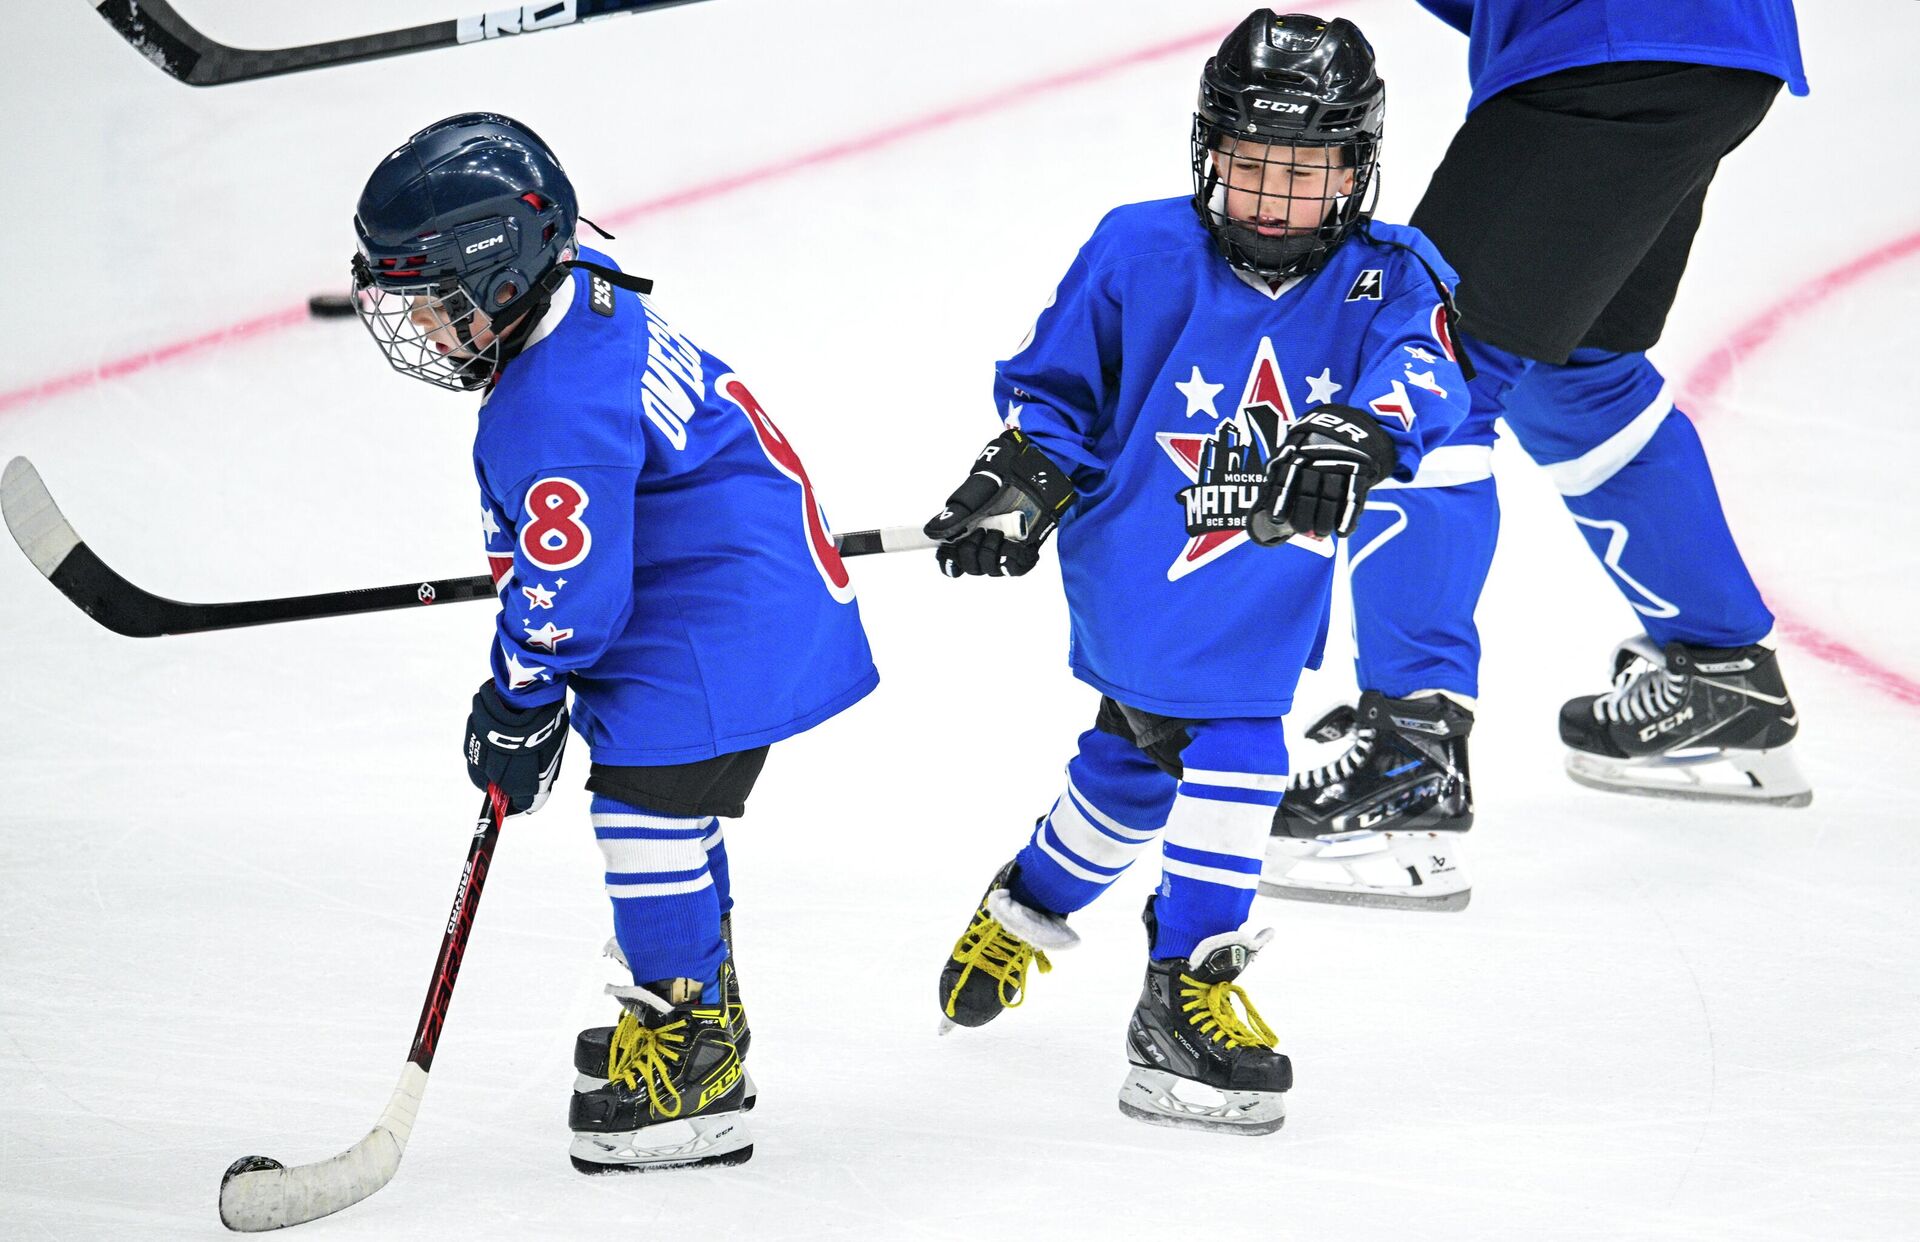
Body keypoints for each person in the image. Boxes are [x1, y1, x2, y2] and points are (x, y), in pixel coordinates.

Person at [923, 10, 1472, 1132]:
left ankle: (1028, 905)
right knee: (1228, 753)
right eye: (1252, 166)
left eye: (1305, 171)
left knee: (1134, 769)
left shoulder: (1389, 276)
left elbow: (1431, 371)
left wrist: (1363, 433)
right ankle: (1187, 999)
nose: (1273, 198)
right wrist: (1019, 474)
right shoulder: (1138, 249)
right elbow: (1055, 391)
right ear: (1207, 154)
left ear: (1357, 171)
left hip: (1267, 595)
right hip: (1141, 567)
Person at [350, 113, 879, 1172]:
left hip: (712, 630)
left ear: (502, 274)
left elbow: (570, 604)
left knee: (644, 814)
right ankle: (698, 1015)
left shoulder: (551, 411)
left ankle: (691, 1059)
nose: (426, 329)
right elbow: (582, 530)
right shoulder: (582, 279)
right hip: (735, 590)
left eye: (439, 301)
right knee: (672, 815)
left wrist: (519, 697)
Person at [1268, 0, 1812, 880]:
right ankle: (1722, 681)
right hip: (1710, 47)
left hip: (1607, 50)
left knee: (1430, 368)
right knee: (1578, 375)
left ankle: (1409, 759)